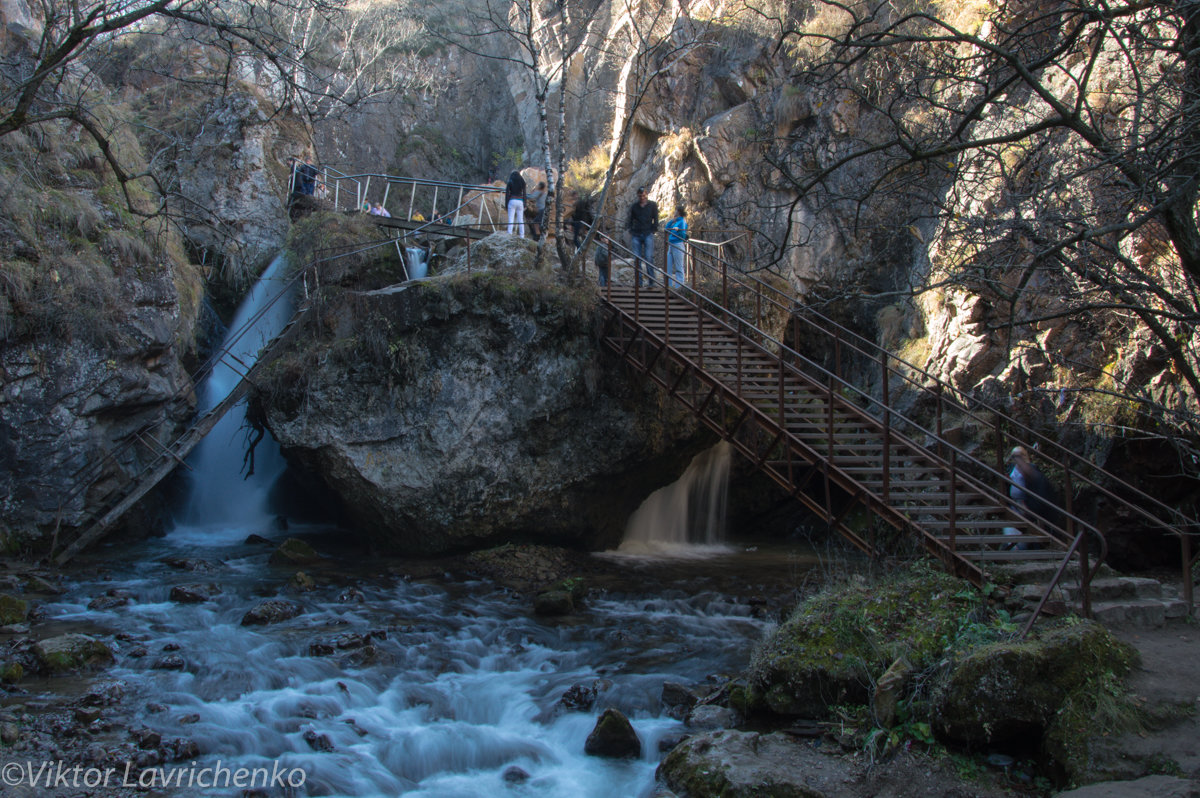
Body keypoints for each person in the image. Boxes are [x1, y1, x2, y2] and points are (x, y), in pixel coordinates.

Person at [1003, 446, 1062, 549]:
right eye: (1014, 456)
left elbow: (1039, 493)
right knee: (1013, 531)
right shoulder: (1011, 470)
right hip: (1015, 506)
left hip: (1029, 508)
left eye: (1019, 456)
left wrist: (1028, 507)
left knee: (1031, 531)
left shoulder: (1032, 472)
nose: (1017, 459)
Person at [627, 186, 659, 287]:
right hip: (636, 234)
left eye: (644, 195)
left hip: (647, 233)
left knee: (649, 257)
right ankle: (639, 282)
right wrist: (631, 230)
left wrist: (653, 229)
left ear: (647, 194)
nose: (642, 197)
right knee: (637, 259)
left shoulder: (652, 205)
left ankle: (651, 281)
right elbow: (630, 219)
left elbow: (656, 218)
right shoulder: (634, 207)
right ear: (638, 196)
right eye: (640, 196)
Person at [664, 204, 688, 288]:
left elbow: (683, 235)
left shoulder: (682, 222)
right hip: (671, 245)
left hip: (678, 244)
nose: (674, 211)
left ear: (678, 212)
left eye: (675, 210)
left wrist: (678, 230)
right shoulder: (676, 221)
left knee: (679, 266)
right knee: (668, 266)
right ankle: (669, 285)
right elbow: (666, 228)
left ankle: (679, 286)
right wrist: (672, 220)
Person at [505, 170, 527, 236]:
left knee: (511, 219)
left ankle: (509, 234)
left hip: (512, 200)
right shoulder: (522, 181)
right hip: (520, 201)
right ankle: (522, 235)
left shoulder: (510, 181)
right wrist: (525, 203)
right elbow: (524, 194)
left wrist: (506, 204)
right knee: (521, 220)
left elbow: (507, 194)